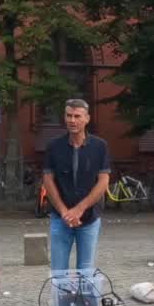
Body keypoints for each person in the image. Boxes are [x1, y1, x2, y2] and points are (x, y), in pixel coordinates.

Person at [41, 99, 110, 280]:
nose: (72, 120)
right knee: (58, 272)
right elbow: (48, 180)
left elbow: (103, 182)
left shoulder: (100, 146)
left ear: (86, 118)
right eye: (69, 116)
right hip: (60, 218)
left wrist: (79, 210)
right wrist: (65, 212)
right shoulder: (54, 146)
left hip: (89, 219)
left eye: (77, 116)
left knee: (86, 272)